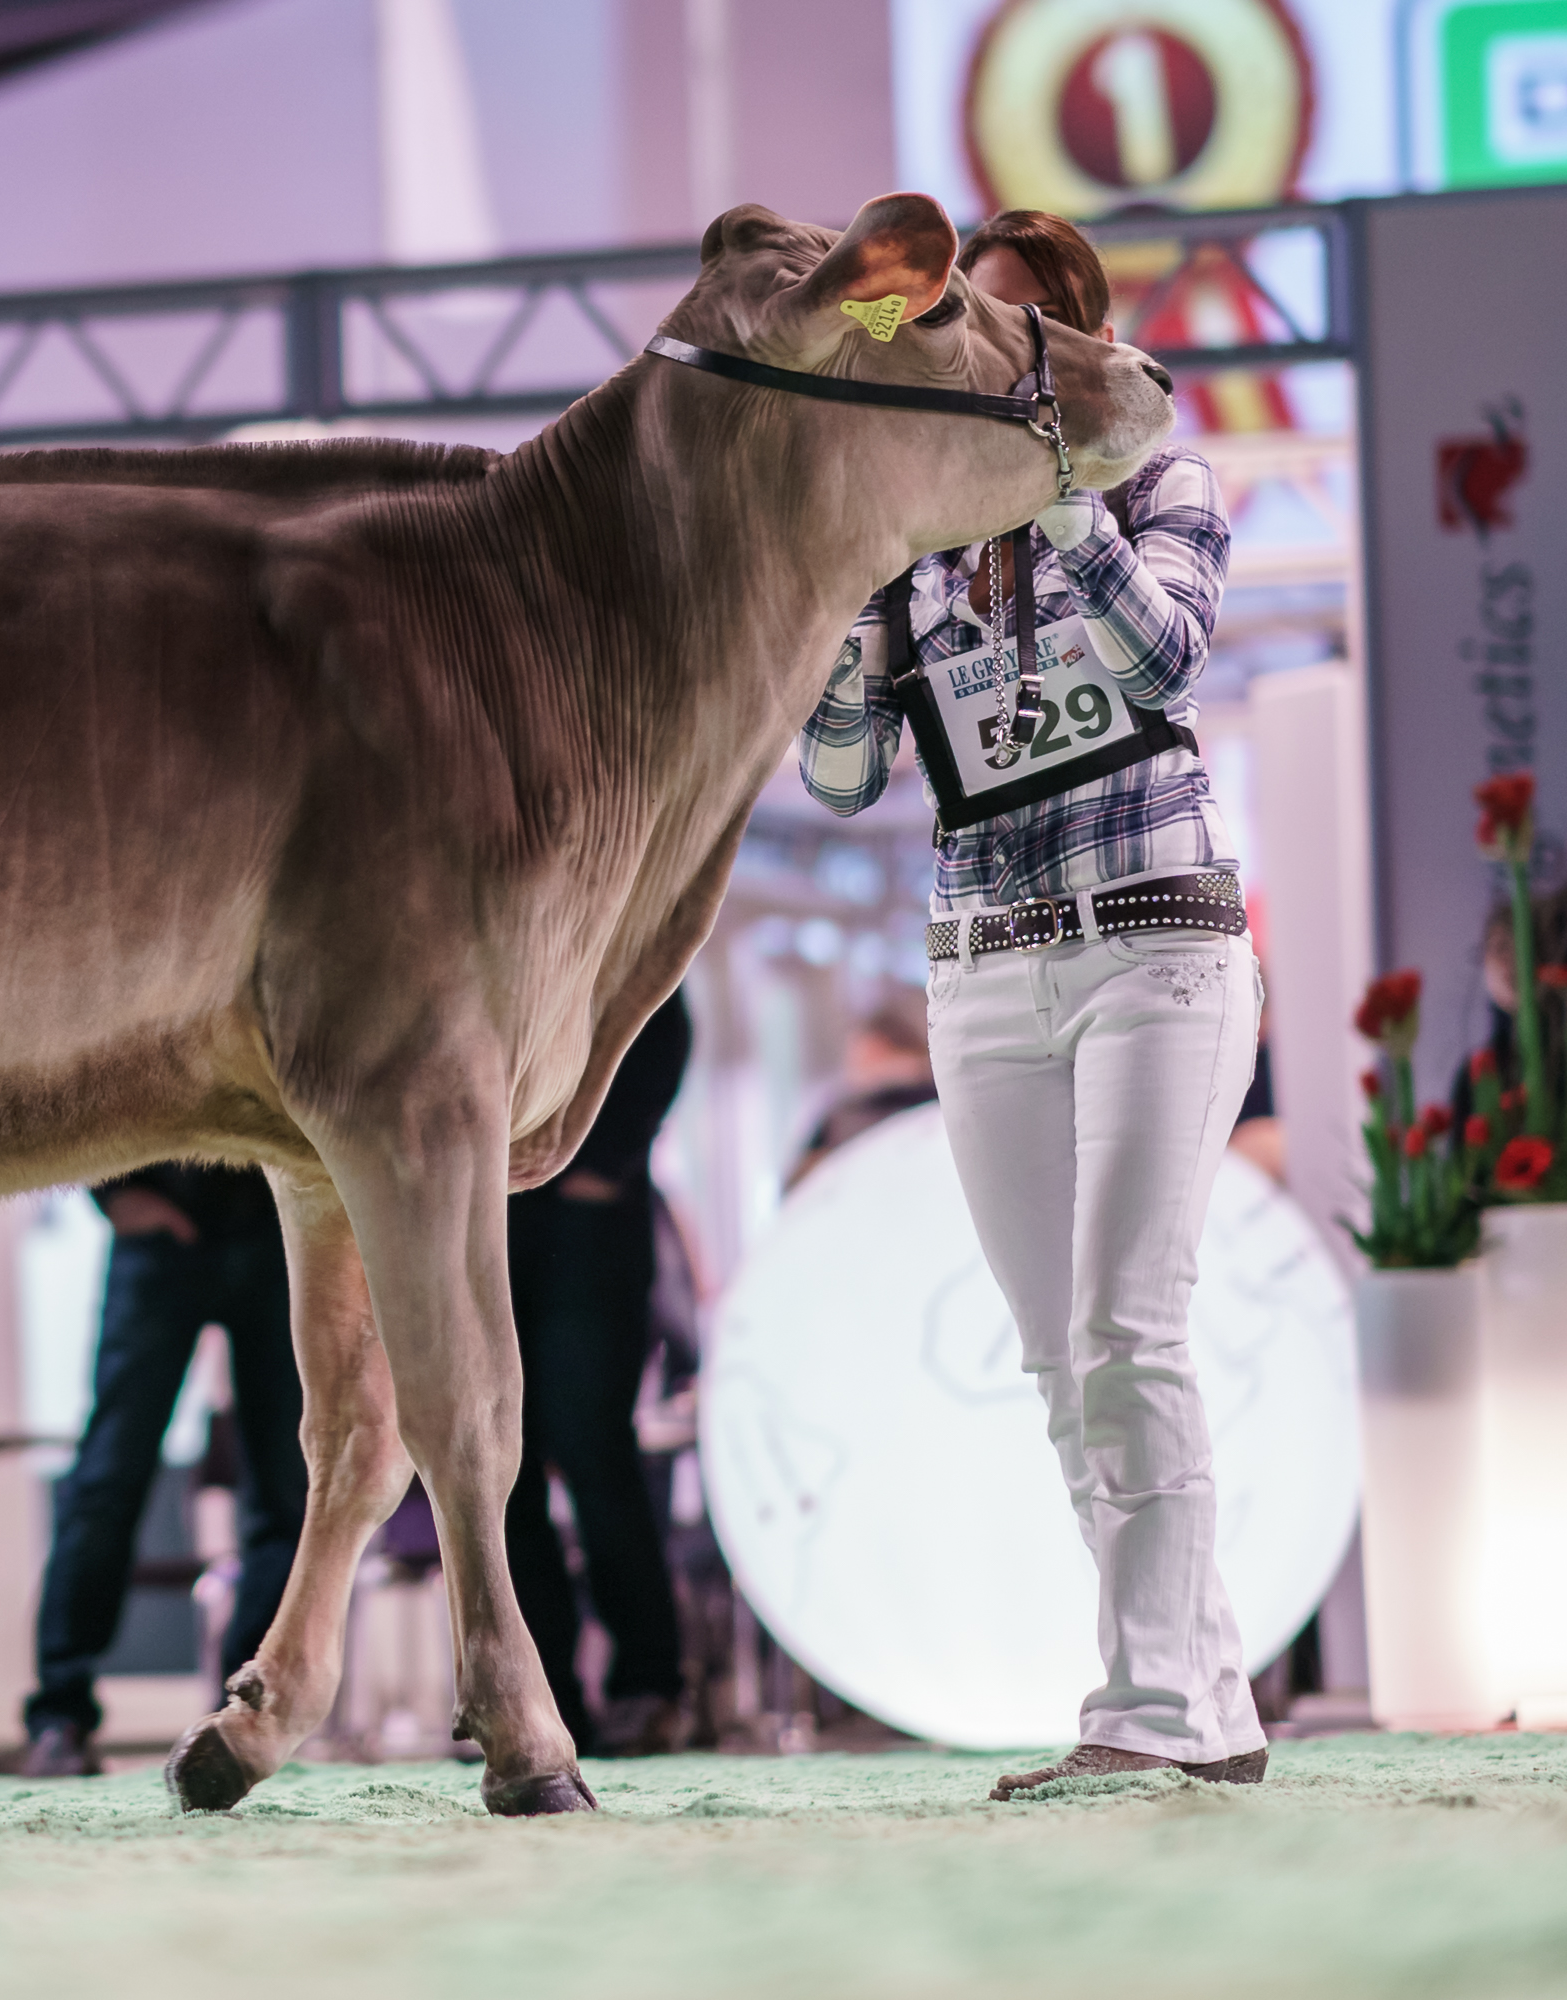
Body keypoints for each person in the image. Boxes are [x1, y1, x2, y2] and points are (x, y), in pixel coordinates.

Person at [800, 209, 1267, 1801]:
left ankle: (1148, 1709)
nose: (973, 363)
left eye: (1002, 333)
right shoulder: (917, 545)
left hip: (1159, 945)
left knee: (1128, 1328)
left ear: (1067, 346)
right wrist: (854, 605)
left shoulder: (1161, 481)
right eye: (955, 335)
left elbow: (1165, 661)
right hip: (985, 967)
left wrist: (1060, 491)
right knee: (1065, 1363)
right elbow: (842, 776)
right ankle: (1206, 1699)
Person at [20, 1164, 305, 1777]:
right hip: (160, 1221)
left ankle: (242, 1716)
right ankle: (60, 1713)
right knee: (107, 1478)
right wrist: (111, 1192)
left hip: (279, 1228)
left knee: (287, 1492)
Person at [502, 988, 693, 1758]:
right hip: (489, 1213)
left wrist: (604, 1159)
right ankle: (537, 1694)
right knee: (498, 1463)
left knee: (593, 1448)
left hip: (590, 1210)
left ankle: (648, 1682)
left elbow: (660, 1021)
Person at [789, 991, 939, 1188]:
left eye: (855, 1056)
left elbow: (797, 1188)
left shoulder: (843, 1116)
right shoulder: (947, 1104)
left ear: (877, 1047)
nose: (850, 1070)